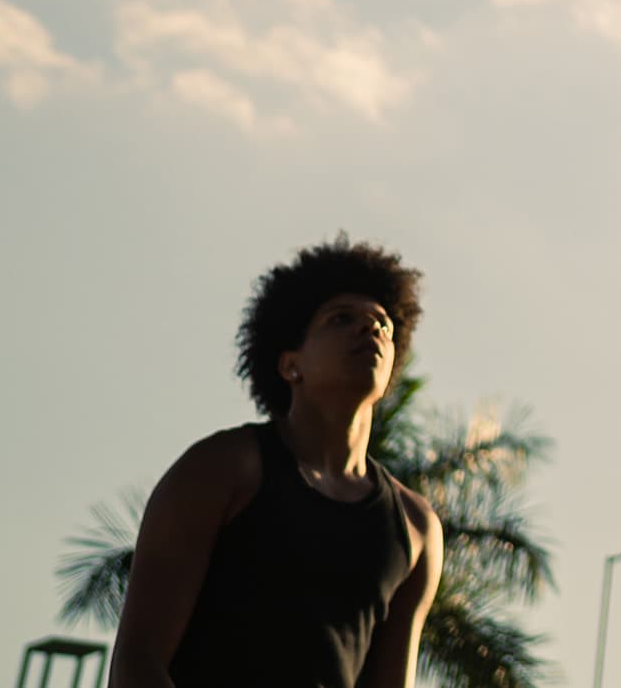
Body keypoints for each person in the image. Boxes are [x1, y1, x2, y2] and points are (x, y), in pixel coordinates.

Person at [110, 239, 445, 688]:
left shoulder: (415, 528)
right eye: (341, 319)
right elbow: (137, 661)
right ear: (291, 365)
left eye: (382, 323)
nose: (370, 330)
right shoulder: (224, 469)